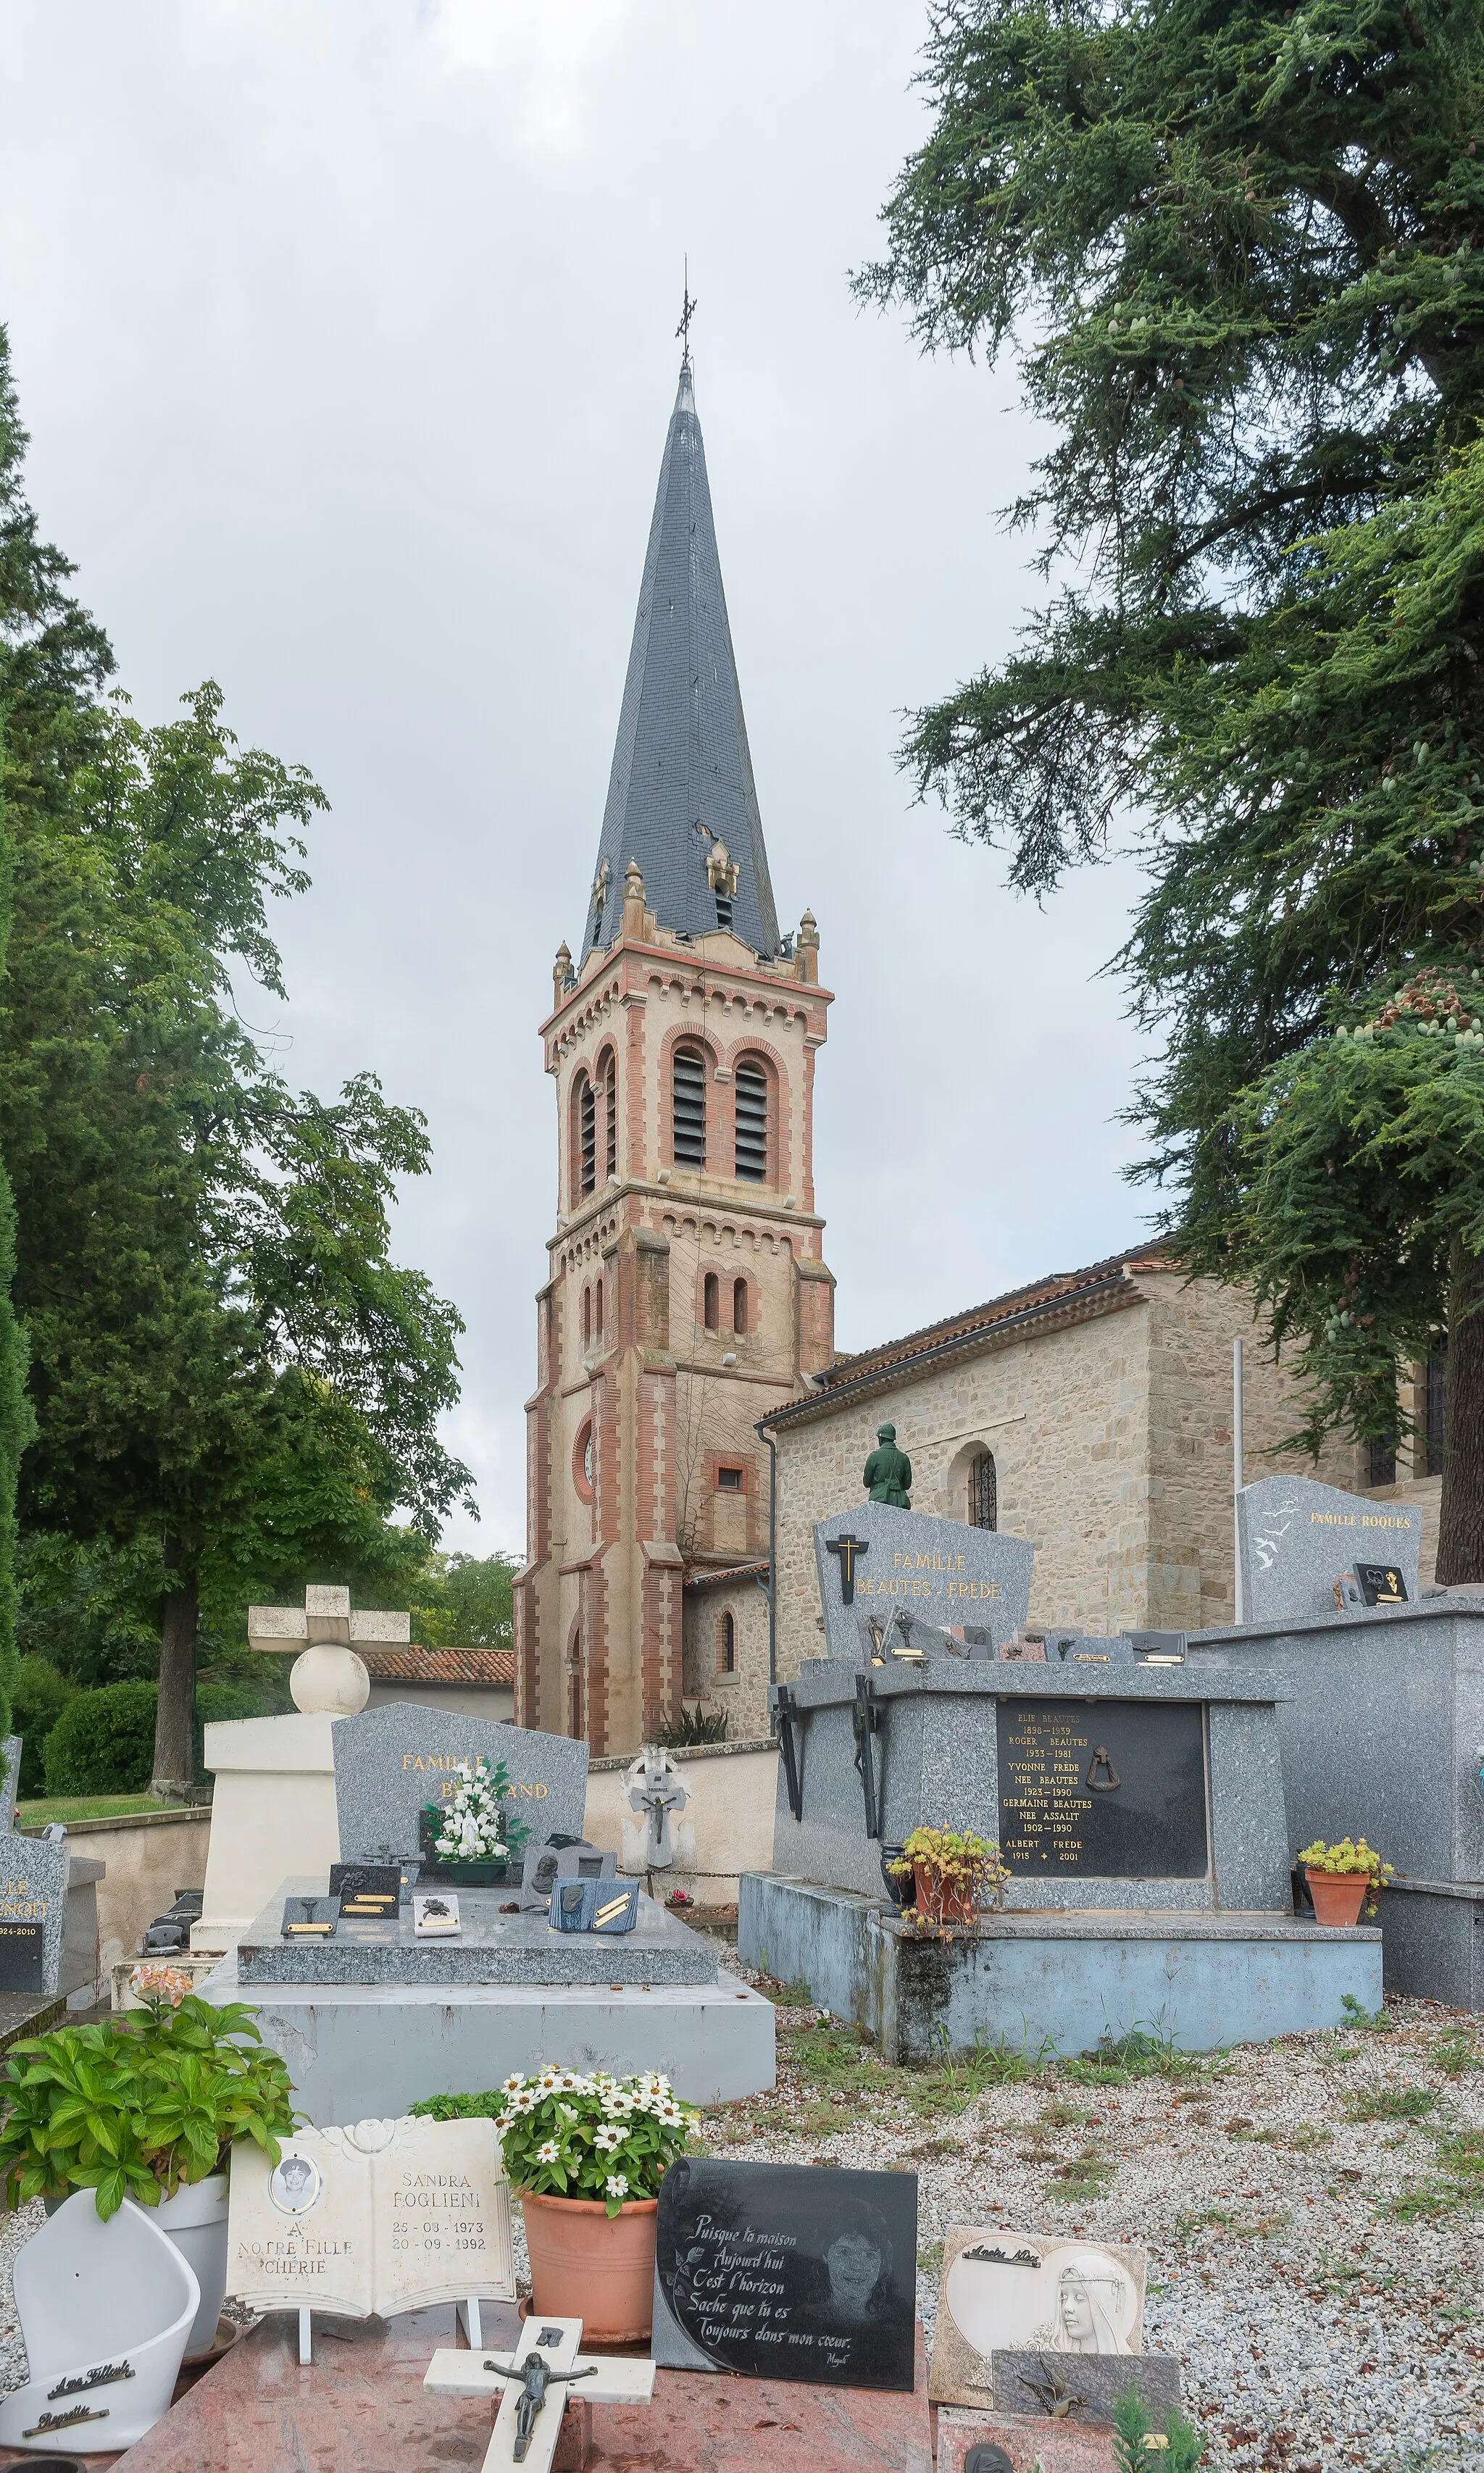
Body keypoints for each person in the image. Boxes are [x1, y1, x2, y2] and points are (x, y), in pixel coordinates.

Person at [863, 1424, 912, 1509]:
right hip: (899, 1501)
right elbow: (907, 1485)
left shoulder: (875, 1456)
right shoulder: (904, 1458)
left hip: (879, 1498)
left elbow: (866, 1482)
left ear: (880, 1439)